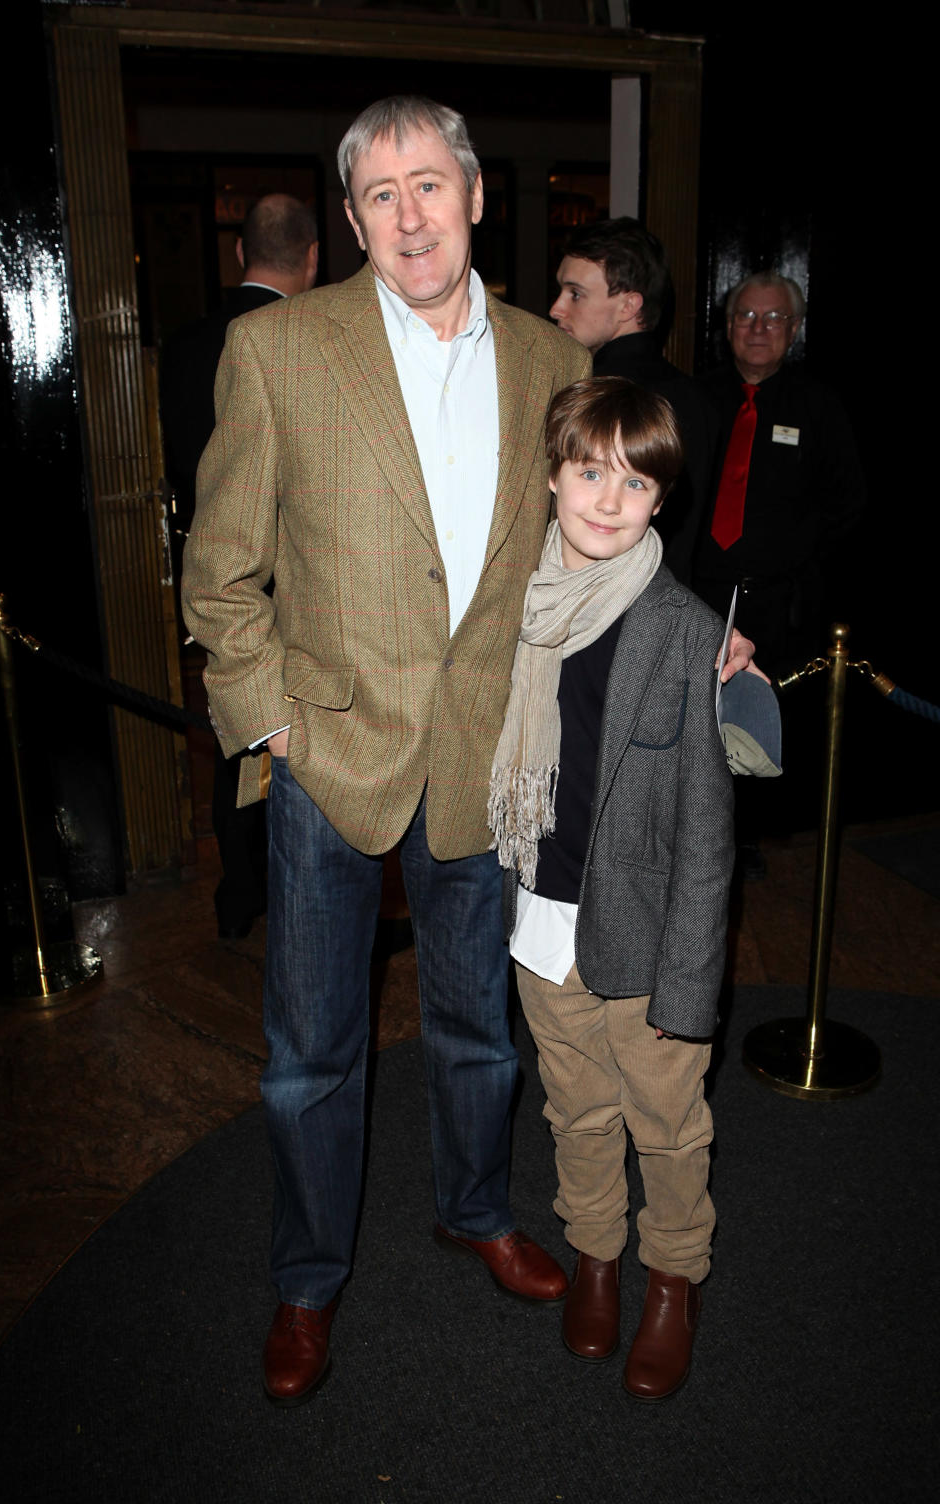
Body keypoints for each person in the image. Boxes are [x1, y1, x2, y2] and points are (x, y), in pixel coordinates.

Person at [182, 96, 592, 1407]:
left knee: (481, 1029)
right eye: (380, 194)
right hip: (329, 759)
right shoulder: (283, 350)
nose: (410, 216)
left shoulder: (551, 361)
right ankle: (306, 1283)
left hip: (482, 753)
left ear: (474, 196)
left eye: (431, 185)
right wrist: (274, 720)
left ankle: (476, 1211)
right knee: (313, 1052)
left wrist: (683, 643)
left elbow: (586, 557)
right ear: (352, 217)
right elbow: (220, 573)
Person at [489, 375, 734, 1401]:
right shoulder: (519, 604)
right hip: (541, 918)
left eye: (632, 483)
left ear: (659, 502)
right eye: (589, 472)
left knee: (667, 1123)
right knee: (576, 1110)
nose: (605, 498)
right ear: (552, 478)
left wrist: (690, 985)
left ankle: (673, 1276)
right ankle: (594, 1252)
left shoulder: (684, 631)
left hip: (644, 934)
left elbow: (709, 834)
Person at [161, 194, 318, 938]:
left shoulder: (187, 343)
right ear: (314, 257)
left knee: (237, 743)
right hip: (299, 579)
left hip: (211, 566)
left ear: (238, 252)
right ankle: (296, 900)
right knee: (299, 749)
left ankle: (238, 896)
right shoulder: (310, 343)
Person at [694, 271, 864, 870]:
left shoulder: (818, 406)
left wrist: (795, 556)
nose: (758, 329)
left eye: (772, 319)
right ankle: (696, 829)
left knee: (763, 718)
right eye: (745, 317)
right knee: (696, 715)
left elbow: (848, 503)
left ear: (792, 329)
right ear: (728, 326)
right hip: (703, 593)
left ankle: (748, 838)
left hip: (781, 601)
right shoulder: (700, 398)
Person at [549, 218, 719, 583]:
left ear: (628, 306)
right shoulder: (698, 397)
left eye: (575, 293)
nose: (557, 308)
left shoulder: (586, 394)